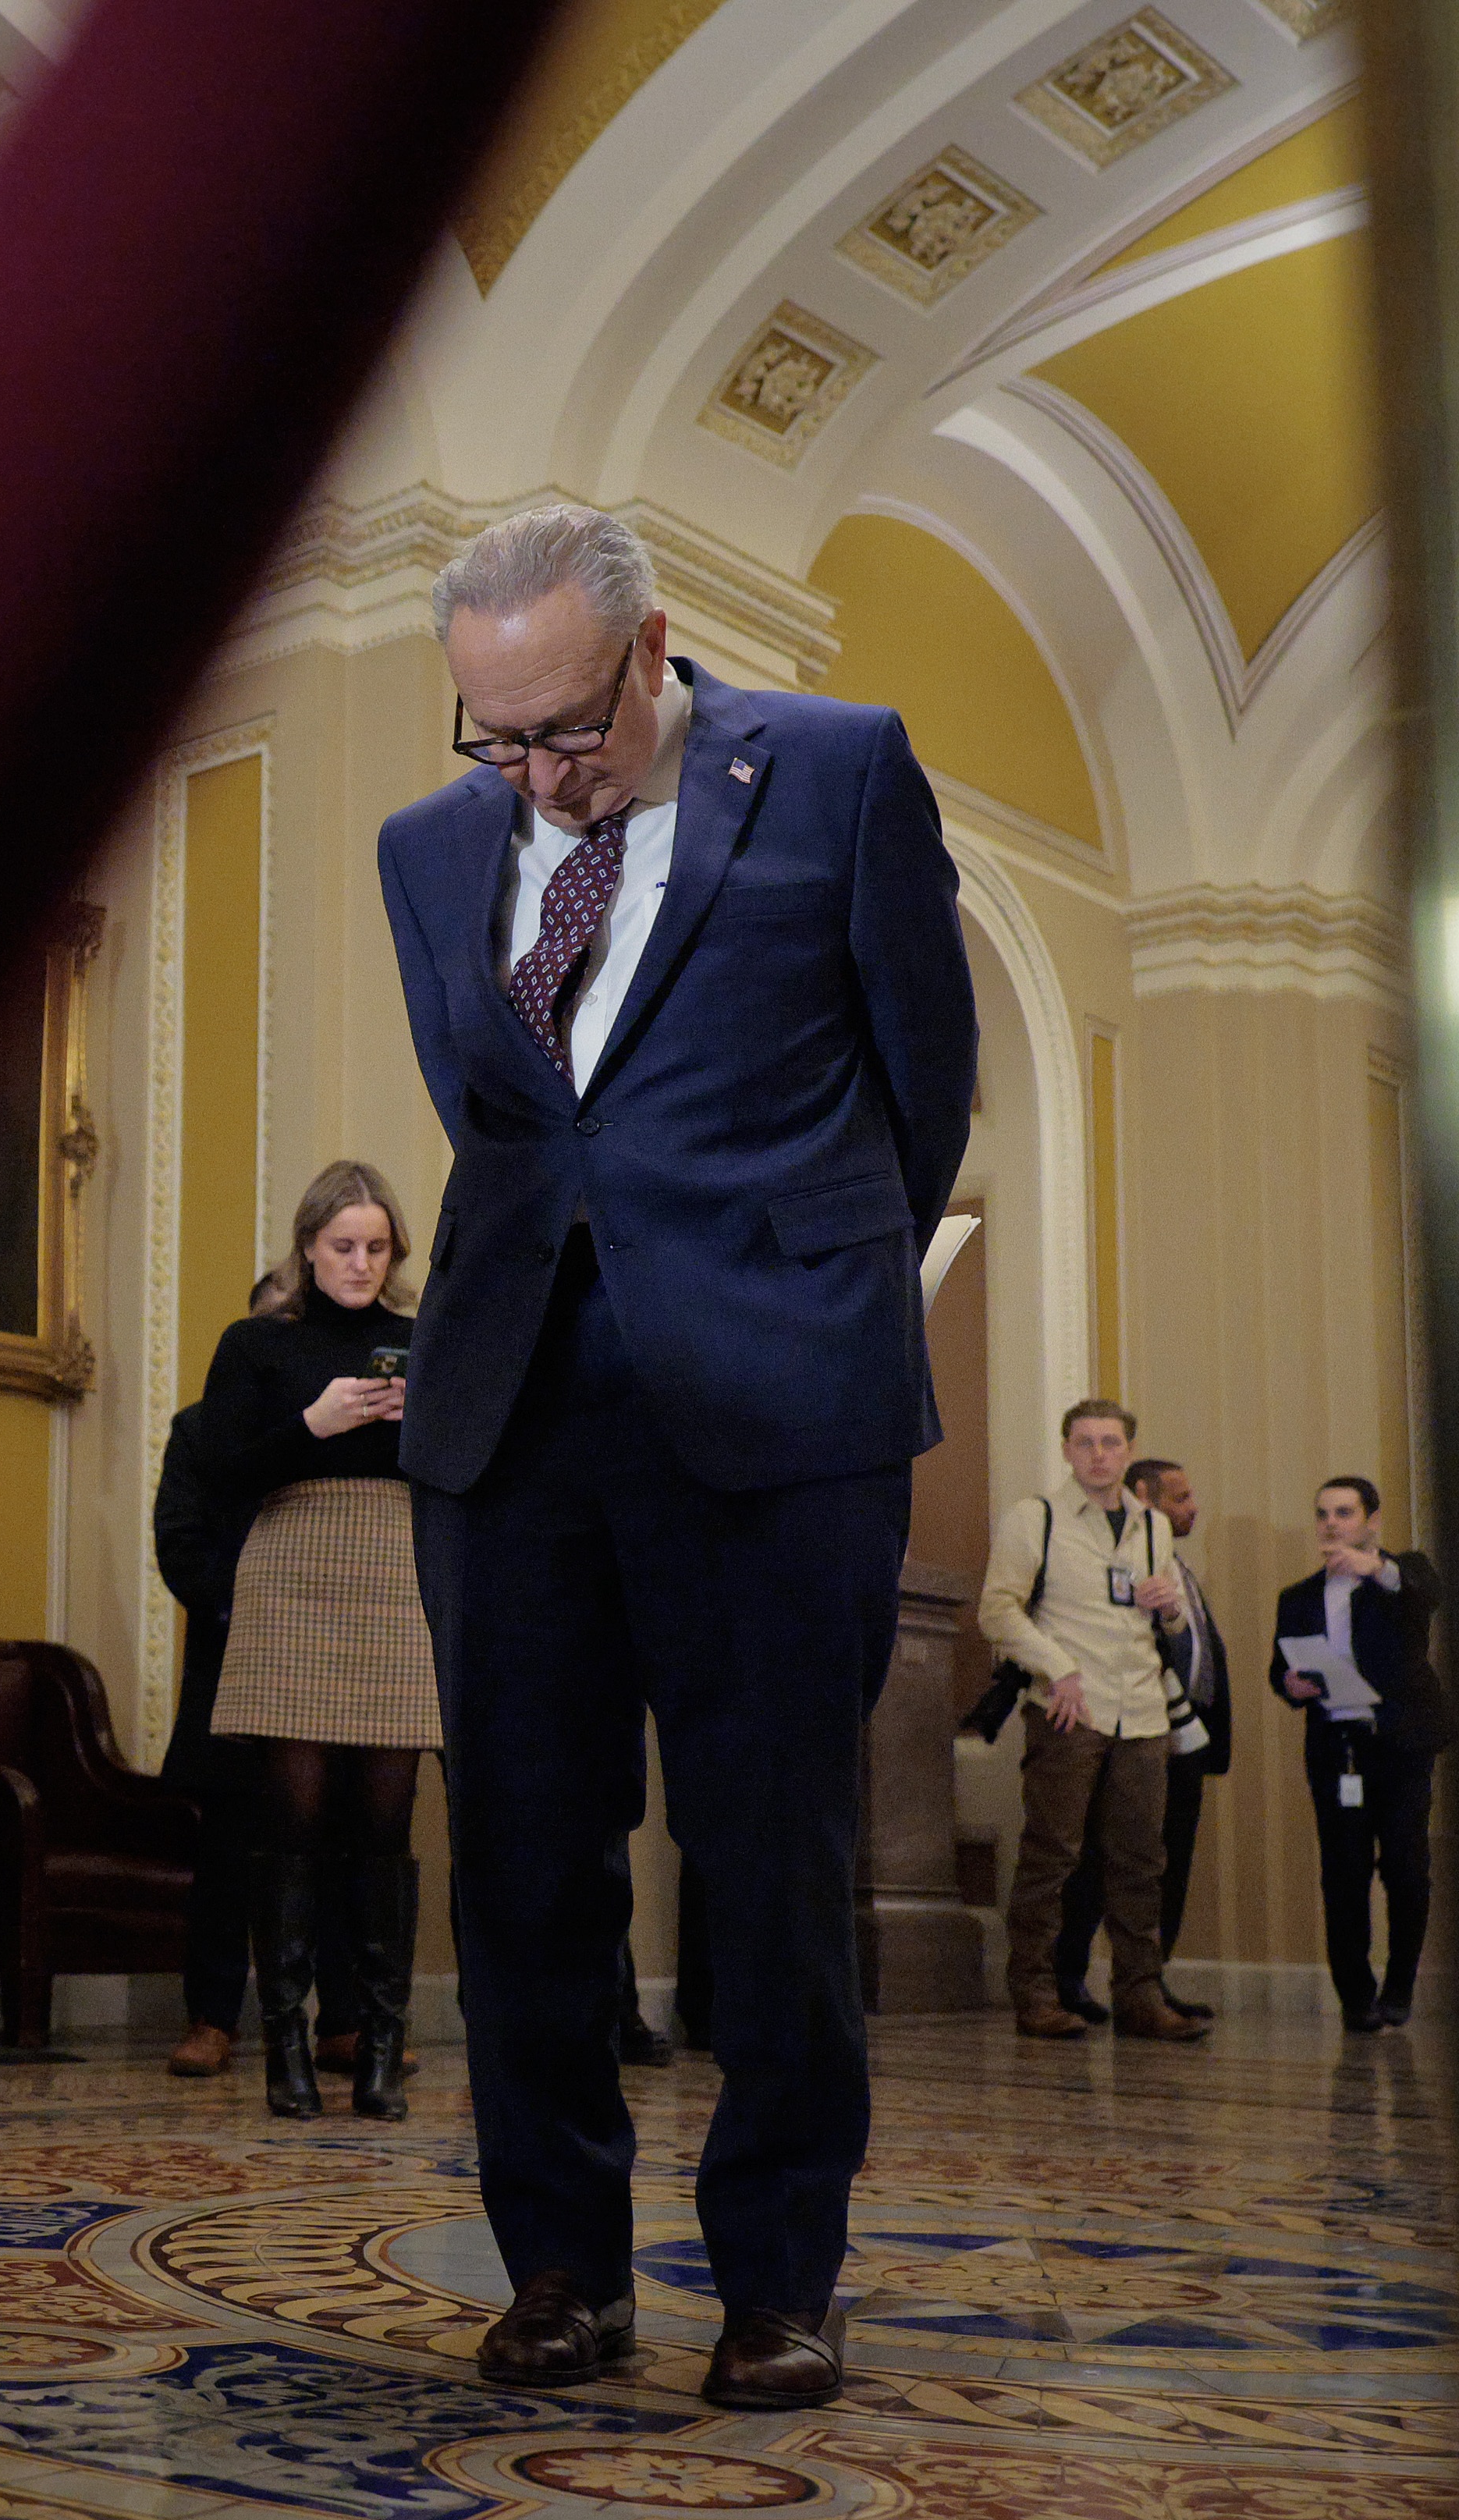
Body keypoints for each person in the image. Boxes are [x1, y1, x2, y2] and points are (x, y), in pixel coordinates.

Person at [382, 503, 976, 2408]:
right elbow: (506, 1122)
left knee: (769, 1857)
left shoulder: (833, 768)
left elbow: (922, 1078)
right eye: (494, 742)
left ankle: (778, 2276)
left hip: (778, 1407)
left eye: (567, 730)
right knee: (522, 1864)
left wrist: (794, 1284)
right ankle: (558, 2263)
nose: (537, 781)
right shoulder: (425, 847)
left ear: (651, 654)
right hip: (507, 1408)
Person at [199, 1165, 439, 2123]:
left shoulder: (423, 1342)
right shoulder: (258, 1342)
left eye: (377, 1246)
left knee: (385, 1822)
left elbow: (477, 1460)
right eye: (343, 1245)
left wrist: (424, 1422)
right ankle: (284, 2051)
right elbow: (220, 1467)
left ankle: (380, 2049)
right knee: (290, 1824)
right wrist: (315, 1421)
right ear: (306, 1246)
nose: (359, 1262)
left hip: (393, 1565)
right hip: (293, 1561)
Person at [982, 1400, 1207, 2045]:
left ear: (1129, 1451)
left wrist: (1168, 1610)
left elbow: (1168, 1625)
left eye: (1111, 1442)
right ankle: (1035, 1991)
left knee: (1142, 1860)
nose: (1099, 1453)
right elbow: (997, 1610)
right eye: (1085, 1442)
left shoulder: (1152, 1527)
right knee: (1052, 1856)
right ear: (1067, 1450)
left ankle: (1140, 1994)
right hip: (1068, 1709)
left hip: (1141, 1709)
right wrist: (1058, 1667)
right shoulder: (1038, 1517)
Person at [153, 1269, 288, 2078]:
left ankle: (338, 2021)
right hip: (233, 1662)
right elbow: (180, 1545)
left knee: (332, 1848)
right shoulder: (200, 1431)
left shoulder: (337, 1426)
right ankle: (211, 2018)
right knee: (225, 1855)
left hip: (325, 1664)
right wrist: (256, 1611)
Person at [1268, 1475, 1450, 2032]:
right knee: (1342, 1872)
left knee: (1405, 1867)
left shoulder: (1403, 1574)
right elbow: (1280, 1668)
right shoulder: (1297, 1596)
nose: (1331, 1523)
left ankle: (1400, 1987)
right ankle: (1355, 1996)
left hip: (1399, 1745)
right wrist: (1288, 1683)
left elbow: (1427, 1594)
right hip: (1335, 1746)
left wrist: (1379, 1569)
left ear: (1371, 1519)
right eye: (1323, 1513)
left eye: (1344, 1512)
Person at [1053, 1452, 1230, 2025]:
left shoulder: (1178, 1567)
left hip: (1184, 1738)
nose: (1193, 1507)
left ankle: (1149, 1983)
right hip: (1128, 1729)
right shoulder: (1113, 1568)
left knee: (1165, 1866)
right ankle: (1067, 1979)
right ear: (1144, 1499)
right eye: (1181, 1497)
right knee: (1096, 1862)